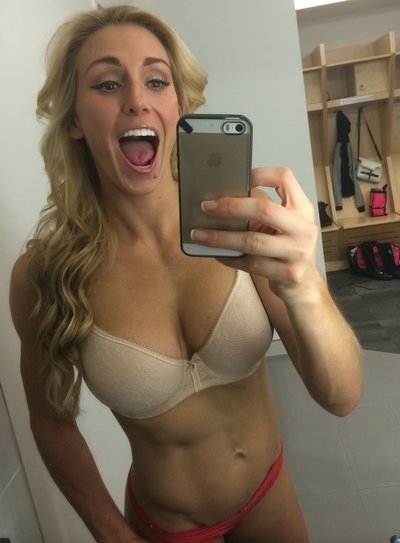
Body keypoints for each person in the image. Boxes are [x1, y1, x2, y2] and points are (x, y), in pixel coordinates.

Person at [9, 5, 362, 543]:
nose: (137, 99)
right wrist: (111, 534)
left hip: (269, 491)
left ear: (179, 106)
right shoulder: (44, 273)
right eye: (107, 84)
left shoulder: (241, 221)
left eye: (156, 80)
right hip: (167, 526)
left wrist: (306, 287)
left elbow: (342, 396)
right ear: (75, 120)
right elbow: (50, 422)